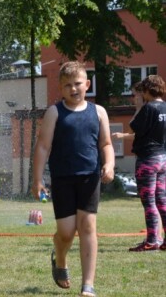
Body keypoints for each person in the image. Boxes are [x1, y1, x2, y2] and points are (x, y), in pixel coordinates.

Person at [32, 61, 115, 297]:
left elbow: (106, 144)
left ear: (87, 84)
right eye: (67, 85)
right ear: (60, 87)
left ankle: (88, 285)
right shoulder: (54, 112)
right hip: (62, 179)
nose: (74, 89)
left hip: (90, 178)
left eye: (78, 84)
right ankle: (60, 260)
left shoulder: (99, 112)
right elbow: (42, 146)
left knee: (88, 227)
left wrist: (109, 164)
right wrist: (37, 180)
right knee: (66, 232)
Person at [124, 75, 166, 251]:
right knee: (162, 200)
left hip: (148, 159)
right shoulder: (165, 107)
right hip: (163, 158)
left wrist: (140, 106)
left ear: (147, 90)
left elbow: (132, 127)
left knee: (148, 201)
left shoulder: (148, 108)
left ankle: (151, 240)